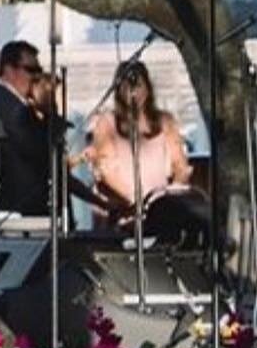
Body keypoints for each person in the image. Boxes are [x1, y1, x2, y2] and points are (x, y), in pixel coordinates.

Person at [83, 60, 193, 229]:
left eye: (139, 85)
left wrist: (171, 194)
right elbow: (106, 171)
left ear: (148, 88)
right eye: (127, 86)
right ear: (119, 90)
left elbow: (180, 164)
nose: (134, 91)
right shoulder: (107, 123)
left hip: (160, 209)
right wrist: (134, 201)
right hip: (123, 211)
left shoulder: (164, 121)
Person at [0, 40, 51, 217]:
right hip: (16, 217)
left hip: (6, 213)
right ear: (9, 70)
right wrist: (48, 113)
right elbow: (42, 155)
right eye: (31, 70)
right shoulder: (11, 109)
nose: (36, 77)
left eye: (39, 71)